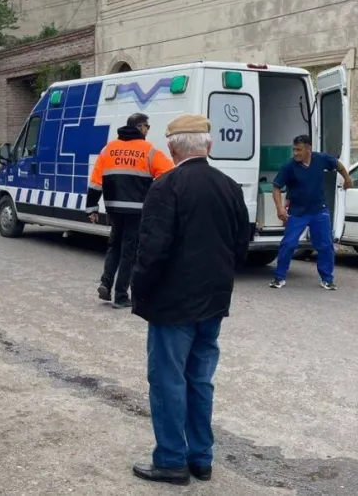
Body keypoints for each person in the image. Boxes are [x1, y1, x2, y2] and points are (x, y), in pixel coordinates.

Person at [130, 114, 250, 486]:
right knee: (200, 379)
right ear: (208, 146)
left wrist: (140, 292)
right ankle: (201, 458)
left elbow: (152, 249)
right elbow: (241, 245)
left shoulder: (167, 187)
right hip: (212, 301)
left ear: (171, 148)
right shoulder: (229, 186)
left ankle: (170, 460)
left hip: (173, 305)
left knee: (168, 380)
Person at [85, 113, 174, 309]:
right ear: (140, 127)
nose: (148, 130)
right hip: (137, 210)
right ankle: (121, 295)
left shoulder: (108, 150)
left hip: (114, 209)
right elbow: (169, 172)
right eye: (147, 127)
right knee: (129, 252)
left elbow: (95, 180)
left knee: (114, 246)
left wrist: (91, 208)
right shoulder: (148, 150)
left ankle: (105, 283)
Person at [269, 135, 353, 290]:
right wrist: (280, 208)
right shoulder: (289, 166)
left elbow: (337, 165)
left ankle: (327, 279)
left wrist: (347, 178)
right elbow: (276, 187)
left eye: (298, 150)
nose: (295, 153)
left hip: (319, 210)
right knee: (288, 244)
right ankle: (279, 277)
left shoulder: (320, 159)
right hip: (298, 212)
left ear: (308, 149)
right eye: (294, 149)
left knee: (325, 245)